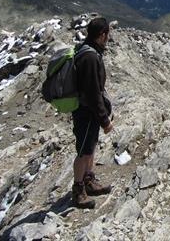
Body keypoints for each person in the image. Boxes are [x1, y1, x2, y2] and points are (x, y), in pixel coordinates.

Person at [71, 17, 115, 209]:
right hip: (86, 113)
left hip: (88, 113)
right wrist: (105, 120)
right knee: (83, 151)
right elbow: (92, 93)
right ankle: (78, 189)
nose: (108, 39)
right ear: (102, 35)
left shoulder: (89, 50)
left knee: (90, 147)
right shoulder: (89, 57)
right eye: (107, 35)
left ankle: (88, 180)